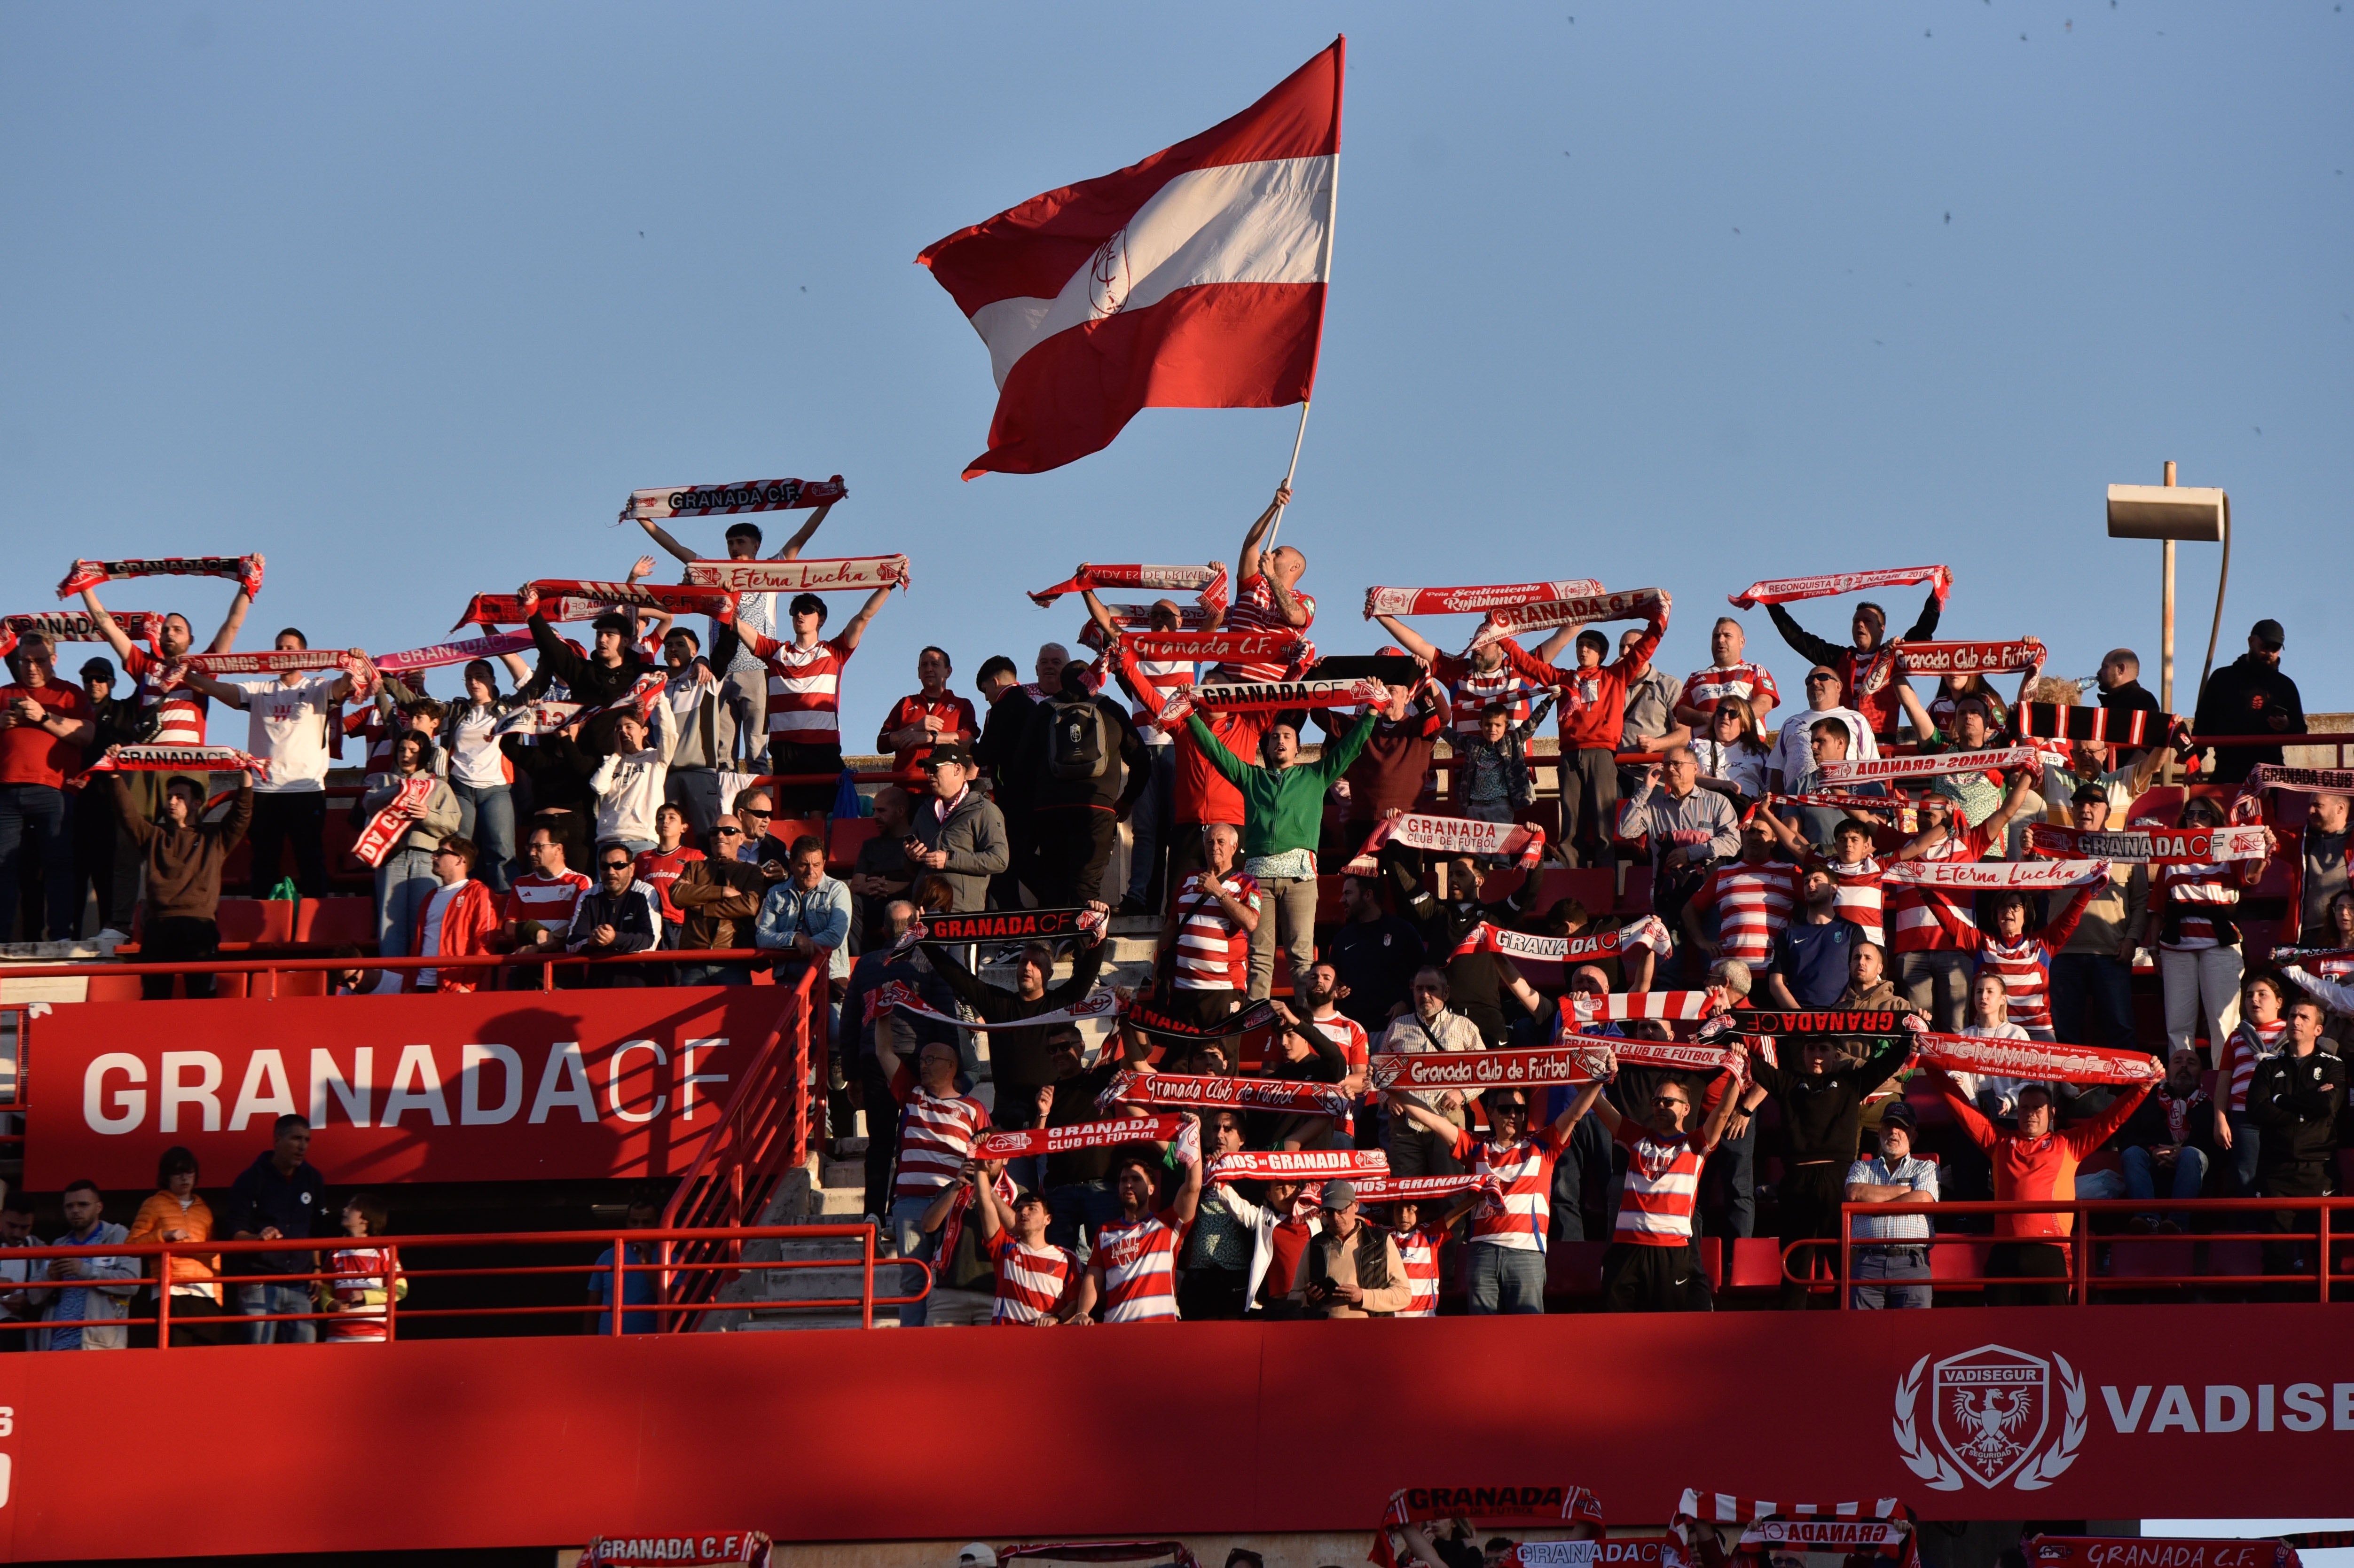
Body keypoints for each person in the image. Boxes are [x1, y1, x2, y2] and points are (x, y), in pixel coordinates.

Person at [635, 500, 840, 764]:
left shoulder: (771, 572)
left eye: (740, 542)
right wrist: (643, 519)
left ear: (756, 546)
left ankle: (759, 804)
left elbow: (801, 537)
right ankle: (726, 805)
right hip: (720, 672)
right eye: (730, 542)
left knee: (757, 749)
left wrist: (826, 503)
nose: (734, 548)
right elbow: (676, 547)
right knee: (722, 754)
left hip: (758, 669)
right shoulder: (713, 573)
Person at [1922, 1069, 2150, 1305]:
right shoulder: (1999, 1142)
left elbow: (2110, 1120)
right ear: (2016, 1111)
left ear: (2052, 1113)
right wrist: (1933, 1068)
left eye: (2037, 1108)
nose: (2030, 1114)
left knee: (2053, 1333)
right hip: (2005, 1251)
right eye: (2024, 1108)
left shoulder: (2068, 1144)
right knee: (1999, 1332)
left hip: (2051, 1251)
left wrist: (2142, 1089)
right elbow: (1962, 1110)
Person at [173, 631, 369, 900]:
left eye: (290, 647)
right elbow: (219, 690)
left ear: (304, 654)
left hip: (305, 789)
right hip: (264, 790)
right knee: (263, 863)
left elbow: (344, 686)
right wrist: (185, 674)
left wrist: (353, 665)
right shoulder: (259, 690)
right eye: (279, 647)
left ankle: (315, 924)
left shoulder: (318, 688)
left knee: (311, 861)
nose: (284, 651)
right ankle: (259, 926)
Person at [1390, 1077, 1608, 1315]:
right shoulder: (1476, 1147)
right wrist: (1390, 1088)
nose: (1513, 1115)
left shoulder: (1542, 1145)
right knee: (1482, 1337)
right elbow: (1430, 1118)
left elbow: (1576, 1113)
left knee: (1527, 1333)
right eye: (1506, 1109)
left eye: (1520, 1110)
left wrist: (1600, 1080)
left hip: (1527, 1254)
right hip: (1482, 1253)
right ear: (1491, 1113)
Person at [925, 916, 1108, 1190]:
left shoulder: (1061, 1005)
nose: (1028, 968)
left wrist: (1101, 930)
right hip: (1007, 1126)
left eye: (1036, 965)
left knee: (1053, 1207)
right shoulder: (999, 1005)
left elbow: (1087, 972)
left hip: (1051, 1124)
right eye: (1024, 962)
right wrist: (926, 939)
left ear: (1048, 974)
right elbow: (957, 976)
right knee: (1018, 1206)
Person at [1497, 593, 1674, 867]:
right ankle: (1572, 877)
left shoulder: (1615, 675)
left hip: (1601, 754)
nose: (1583, 650)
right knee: (1570, 823)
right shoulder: (1565, 679)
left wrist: (1660, 619)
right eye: (1581, 645)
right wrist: (1501, 637)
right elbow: (1529, 665)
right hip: (1569, 755)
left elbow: (1644, 650)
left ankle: (1602, 883)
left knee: (1604, 823)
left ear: (1602, 654)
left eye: (1590, 646)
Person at [1751, 1023, 1919, 1307]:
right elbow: (1751, 1063)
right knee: (1795, 1266)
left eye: (1824, 1049)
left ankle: (1848, 1331)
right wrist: (1727, 1033)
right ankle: (1788, 1336)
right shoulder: (1788, 1083)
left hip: (1838, 1179)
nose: (1817, 1055)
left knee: (1844, 1264)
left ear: (1836, 1054)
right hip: (1797, 1180)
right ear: (1803, 1054)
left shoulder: (1852, 1082)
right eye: (1812, 1048)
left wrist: (1911, 1032)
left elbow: (1888, 1062)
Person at [1584, 1042, 1749, 1312]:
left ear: (1686, 1109)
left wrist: (1735, 1072)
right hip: (1627, 1250)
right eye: (1656, 1101)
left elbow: (1721, 1115)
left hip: (1671, 1252)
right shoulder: (1635, 1136)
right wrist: (1581, 1060)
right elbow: (1597, 1102)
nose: (1660, 1106)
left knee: (1665, 1329)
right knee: (1617, 1331)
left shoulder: (1695, 1143)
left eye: (1668, 1101)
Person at [712, 582, 894, 814]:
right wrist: (729, 594)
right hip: (785, 749)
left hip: (822, 748)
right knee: (789, 817)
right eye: (795, 609)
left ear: (822, 619)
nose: (800, 614)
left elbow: (864, 617)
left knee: (820, 817)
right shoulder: (775, 652)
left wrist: (889, 585)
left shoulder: (835, 651)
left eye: (807, 609)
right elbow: (735, 623)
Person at [1889, 783, 2036, 1033]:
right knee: (1918, 1030)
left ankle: (1957, 1075)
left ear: (1946, 816)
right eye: (1920, 814)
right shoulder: (1903, 845)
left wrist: (2028, 770)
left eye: (1930, 814)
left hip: (1956, 949)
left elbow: (2008, 810)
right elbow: (1862, 819)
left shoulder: (1968, 842)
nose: (1922, 819)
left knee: (1956, 1030)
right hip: (1911, 950)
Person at [112, 764, 254, 999]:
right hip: (159, 927)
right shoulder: (153, 836)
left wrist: (246, 775)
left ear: (197, 803)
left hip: (199, 927)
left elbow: (241, 815)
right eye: (169, 797)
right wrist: (115, 774)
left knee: (203, 1000)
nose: (172, 802)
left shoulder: (214, 839)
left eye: (180, 797)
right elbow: (128, 815)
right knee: (154, 1003)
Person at [78, 565, 259, 750]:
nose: (170, 634)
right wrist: (85, 586)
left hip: (188, 762)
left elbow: (232, 626)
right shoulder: (145, 665)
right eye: (165, 630)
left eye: (177, 630)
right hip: (146, 763)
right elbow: (107, 627)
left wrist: (247, 584)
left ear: (191, 640)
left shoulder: (202, 667)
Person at [1013, 662, 1148, 907]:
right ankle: (1083, 941)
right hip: (1098, 810)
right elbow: (1142, 760)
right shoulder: (1111, 709)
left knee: (1054, 884)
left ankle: (1055, 942)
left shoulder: (1043, 712)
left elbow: (1021, 767)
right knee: (1086, 888)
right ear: (1093, 681)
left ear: (1061, 683)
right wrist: (1127, 800)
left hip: (1050, 811)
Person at [2153, 795, 2270, 1060]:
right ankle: (2182, 1084)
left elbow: (2252, 873)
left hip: (2221, 947)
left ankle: (2224, 1083)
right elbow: (2158, 909)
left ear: (2215, 820)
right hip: (2176, 948)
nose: (2195, 820)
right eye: (2190, 815)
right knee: (2178, 1025)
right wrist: (2152, 949)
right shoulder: (2171, 858)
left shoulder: (2230, 853)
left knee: (2223, 1024)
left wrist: (2263, 848)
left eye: (2202, 815)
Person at [0, 631, 97, 940]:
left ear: (53, 660)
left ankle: (60, 935)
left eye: (39, 661)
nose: (31, 668)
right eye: (24, 661)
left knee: (58, 863)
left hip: (53, 789)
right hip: (6, 790)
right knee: (4, 866)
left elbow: (87, 736)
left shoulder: (69, 695)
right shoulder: (3, 693)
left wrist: (43, 717)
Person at [2249, 996, 2345, 1291]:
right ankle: (2274, 1323)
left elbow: (2329, 1107)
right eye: (2292, 1016)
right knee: (2277, 1259)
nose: (2295, 1021)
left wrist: (2282, 1101)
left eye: (2304, 1017)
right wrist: (2308, 1103)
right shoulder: (2267, 1067)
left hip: (2319, 1171)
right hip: (2275, 1171)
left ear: (2318, 1030)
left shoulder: (2334, 1066)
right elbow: (2257, 1110)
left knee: (2328, 1258)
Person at [1763, 586, 1940, 743]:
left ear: (1882, 628)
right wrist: (1771, 604)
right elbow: (1799, 639)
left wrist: (1937, 593)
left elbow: (1923, 631)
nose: (1860, 625)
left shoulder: (1893, 654)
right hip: (1844, 743)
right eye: (1856, 621)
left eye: (1867, 621)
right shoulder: (1840, 657)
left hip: (1881, 744)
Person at [2048, 782, 2152, 1049]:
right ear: (2071, 810)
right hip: (2063, 955)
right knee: (2064, 1035)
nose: (2086, 810)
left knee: (2121, 1031)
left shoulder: (2127, 849)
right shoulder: (2051, 845)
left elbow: (2141, 902)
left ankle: (2125, 1091)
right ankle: (2068, 1091)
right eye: (2080, 805)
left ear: (2107, 813)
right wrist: (2027, 856)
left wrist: (2133, 939)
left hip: (2112, 955)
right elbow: (2032, 892)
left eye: (2094, 805)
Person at [1617, 746, 1742, 953]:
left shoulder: (1717, 802)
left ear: (1695, 768)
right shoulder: (1653, 806)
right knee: (1668, 966)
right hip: (1669, 895)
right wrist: (1646, 789)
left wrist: (1691, 853)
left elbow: (1732, 842)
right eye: (1666, 764)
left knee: (1712, 960)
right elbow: (1625, 830)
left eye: (1676, 763)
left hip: (1708, 893)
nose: (1670, 768)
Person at [225, 1113, 331, 1344]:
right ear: (277, 1140)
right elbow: (236, 1233)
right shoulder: (250, 1180)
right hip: (260, 1282)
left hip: (301, 1284)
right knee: (258, 1360)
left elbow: (316, 1232)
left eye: (307, 1140)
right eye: (296, 1139)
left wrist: (316, 1270)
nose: (303, 1146)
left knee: (304, 1361)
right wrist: (258, 1238)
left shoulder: (313, 1178)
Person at [358, 731, 461, 958]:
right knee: (389, 923)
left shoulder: (438, 786)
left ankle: (422, 978)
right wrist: (401, 789)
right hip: (391, 858)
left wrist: (427, 815)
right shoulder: (384, 781)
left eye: (414, 751)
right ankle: (393, 980)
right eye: (403, 750)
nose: (407, 755)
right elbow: (369, 803)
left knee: (424, 921)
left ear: (423, 755)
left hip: (427, 859)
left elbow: (452, 823)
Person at [1376, 967, 1486, 1178]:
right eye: (1419, 989)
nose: (1425, 995)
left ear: (1446, 993)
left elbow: (1485, 1071)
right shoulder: (1398, 1026)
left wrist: (1462, 1093)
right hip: (1405, 1125)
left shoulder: (1464, 1027)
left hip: (1448, 1120)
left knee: (1451, 1192)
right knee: (1407, 1195)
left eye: (1432, 989)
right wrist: (1388, 1099)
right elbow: (1378, 1071)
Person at [1153, 822, 1260, 1027]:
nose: (1214, 847)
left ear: (1234, 847)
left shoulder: (1247, 883)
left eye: (1221, 842)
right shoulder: (1188, 879)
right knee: (1180, 1058)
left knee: (1219, 1055)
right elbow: (1172, 925)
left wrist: (1219, 892)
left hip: (1223, 988)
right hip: (1183, 988)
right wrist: (1159, 960)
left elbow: (1250, 922)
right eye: (1210, 842)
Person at [440, 657, 532, 893]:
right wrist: (389, 680)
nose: (474, 682)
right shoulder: (457, 710)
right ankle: (458, 901)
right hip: (460, 787)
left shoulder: (507, 707)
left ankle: (506, 906)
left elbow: (530, 684)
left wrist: (501, 648)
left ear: (492, 679)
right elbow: (418, 707)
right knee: (459, 851)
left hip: (497, 788)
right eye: (469, 677)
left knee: (501, 850)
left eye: (480, 676)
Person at [1090, 1144, 1204, 1323]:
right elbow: (1093, 1278)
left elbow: (1194, 1186)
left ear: (1152, 1189)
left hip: (1160, 1332)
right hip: (1116, 1332)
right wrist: (1082, 1311)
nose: (1129, 1184)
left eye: (1136, 1179)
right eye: (1123, 1180)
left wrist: (1193, 1139)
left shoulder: (1168, 1223)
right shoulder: (1105, 1232)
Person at [2107, 1047, 2215, 1231]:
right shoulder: (2146, 1100)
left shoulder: (2210, 1107)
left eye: (2191, 1063)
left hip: (2194, 1176)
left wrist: (2182, 1152)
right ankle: (2148, 1220)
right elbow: (2127, 1137)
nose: (2184, 1067)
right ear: (2167, 1071)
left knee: (2192, 1155)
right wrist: (2153, 1150)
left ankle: (2177, 1223)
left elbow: (2218, 1148)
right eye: (2178, 1062)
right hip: (2152, 1168)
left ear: (2201, 1075)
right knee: (2132, 1153)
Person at [127, 1145, 224, 1346]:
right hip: (171, 1291)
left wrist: (218, 1297)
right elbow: (131, 1246)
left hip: (205, 1293)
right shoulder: (153, 1204)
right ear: (167, 1176)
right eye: (178, 1173)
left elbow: (215, 1255)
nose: (184, 1178)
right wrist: (164, 1236)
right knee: (174, 1355)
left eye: (189, 1172)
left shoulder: (204, 1210)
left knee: (206, 1360)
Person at [1844, 1101, 1936, 1309]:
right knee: (1864, 1337)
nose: (1894, 1132)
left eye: (1901, 1127)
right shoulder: (1862, 1166)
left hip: (1912, 1263)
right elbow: (1855, 1194)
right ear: (1880, 1132)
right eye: (1888, 1126)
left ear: (1913, 1136)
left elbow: (1923, 1199)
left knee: (1914, 1337)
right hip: (1868, 1263)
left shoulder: (1927, 1167)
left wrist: (1874, 1203)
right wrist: (1906, 1191)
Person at [971, 1167, 1092, 1325]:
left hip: (1047, 1341)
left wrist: (1055, 1319)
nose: (1023, 1213)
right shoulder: (1006, 1248)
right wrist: (980, 1164)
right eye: (1019, 1209)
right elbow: (985, 1204)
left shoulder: (1067, 1258)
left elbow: (1075, 1303)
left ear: (1047, 1220)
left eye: (1032, 1209)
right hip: (1006, 1340)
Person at [1683, 817, 1803, 973]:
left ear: (1774, 841)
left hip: (1774, 972)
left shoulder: (1790, 873)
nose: (1754, 836)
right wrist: (1703, 942)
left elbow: (1818, 905)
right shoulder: (1723, 874)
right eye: (1750, 831)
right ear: (1742, 837)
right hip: (1728, 972)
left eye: (1761, 833)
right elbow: (1689, 910)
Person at [2191, 618, 2303, 783]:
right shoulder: (2222, 679)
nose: (2271, 653)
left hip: (2270, 775)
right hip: (2227, 771)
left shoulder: (2285, 686)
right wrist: (2194, 762)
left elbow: (2301, 731)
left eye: (2276, 648)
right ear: (2252, 642)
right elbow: (2203, 725)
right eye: (2266, 647)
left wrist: (2286, 726)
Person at [29, 1181, 137, 1350]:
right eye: (69, 1206)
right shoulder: (59, 1245)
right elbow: (33, 1297)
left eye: (83, 1205)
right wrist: (49, 1276)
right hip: (57, 1345)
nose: (76, 1211)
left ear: (99, 1207)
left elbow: (132, 1283)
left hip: (99, 1345)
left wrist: (85, 1270)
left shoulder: (118, 1236)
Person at [906, 743, 1009, 914]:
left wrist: (949, 860)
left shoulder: (983, 809)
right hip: (922, 909)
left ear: (957, 769)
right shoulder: (924, 810)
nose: (929, 775)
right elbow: (909, 870)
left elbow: (999, 860)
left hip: (961, 912)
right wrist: (911, 858)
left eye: (934, 768)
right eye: (927, 770)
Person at [1289, 1181, 1413, 1318]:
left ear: (1356, 1206)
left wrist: (1363, 1296)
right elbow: (1294, 1297)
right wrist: (1308, 1299)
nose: (1336, 1217)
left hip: (1372, 1334)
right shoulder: (1315, 1244)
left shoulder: (1380, 1240)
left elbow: (1404, 1295)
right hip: (1324, 1335)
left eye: (1341, 1209)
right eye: (1329, 1212)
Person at [655, 632, 734, 837]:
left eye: (681, 645)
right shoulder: (654, 684)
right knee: (664, 836)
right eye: (669, 645)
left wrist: (702, 661)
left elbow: (726, 649)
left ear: (693, 652)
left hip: (701, 772)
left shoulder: (706, 677)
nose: (673, 649)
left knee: (708, 833)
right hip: (665, 774)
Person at [1326, 874, 1423, 1038]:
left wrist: (1408, 1003)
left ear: (1368, 895)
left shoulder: (1402, 931)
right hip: (1351, 1032)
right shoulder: (1342, 938)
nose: (1342, 900)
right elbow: (1331, 979)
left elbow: (1425, 972)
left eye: (1348, 893)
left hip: (1395, 1031)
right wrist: (1335, 990)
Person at [753, 834, 852, 994]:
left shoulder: (838, 890)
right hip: (788, 980)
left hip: (830, 977)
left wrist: (803, 944)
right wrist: (795, 939)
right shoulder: (775, 893)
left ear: (824, 865)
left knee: (835, 1019)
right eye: (804, 865)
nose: (810, 871)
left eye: (816, 865)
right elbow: (763, 937)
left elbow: (836, 936)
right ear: (791, 864)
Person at [878, 645, 979, 789]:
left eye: (935, 664)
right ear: (919, 673)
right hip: (906, 789)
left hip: (946, 790)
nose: (929, 669)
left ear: (948, 672)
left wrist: (932, 738)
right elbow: (882, 743)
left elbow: (968, 738)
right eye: (924, 665)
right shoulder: (905, 703)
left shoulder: (962, 705)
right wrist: (914, 729)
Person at [565, 840, 666, 986]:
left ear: (631, 869)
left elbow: (650, 942)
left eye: (619, 866)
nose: (611, 872)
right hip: (598, 986)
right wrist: (591, 941)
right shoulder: (589, 896)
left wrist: (615, 938)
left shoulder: (645, 892)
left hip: (640, 984)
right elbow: (571, 943)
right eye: (605, 866)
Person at [409, 835, 500, 993]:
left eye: (441, 852)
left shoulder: (479, 893)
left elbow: (484, 942)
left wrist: (469, 985)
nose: (434, 856)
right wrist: (409, 984)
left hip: (455, 986)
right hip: (422, 983)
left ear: (460, 860)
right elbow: (418, 944)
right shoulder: (430, 897)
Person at [1766, 867, 1866, 1009]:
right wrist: (1800, 1018)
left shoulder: (1852, 931)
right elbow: (1776, 983)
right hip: (1798, 1021)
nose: (1811, 885)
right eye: (1806, 882)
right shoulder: (1788, 934)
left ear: (1833, 888)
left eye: (1817, 881)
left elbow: (1861, 977)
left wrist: (1837, 1013)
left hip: (1841, 1019)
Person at [588, 703, 680, 855]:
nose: (623, 732)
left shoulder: (656, 758)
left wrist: (661, 701)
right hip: (609, 840)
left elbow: (669, 734)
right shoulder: (610, 762)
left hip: (642, 839)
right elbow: (599, 786)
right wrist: (616, 756)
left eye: (629, 727)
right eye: (618, 729)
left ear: (644, 731)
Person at [1457, 694, 1557, 825]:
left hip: (1501, 806)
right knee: (1475, 844)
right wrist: (1434, 717)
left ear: (1507, 726)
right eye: (1488, 725)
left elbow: (1532, 723)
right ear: (1481, 725)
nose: (1493, 729)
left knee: (1500, 843)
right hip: (1475, 806)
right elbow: (1449, 734)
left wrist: (1549, 701)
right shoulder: (1473, 744)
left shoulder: (1512, 741)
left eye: (1498, 725)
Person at [319, 1192, 405, 1343]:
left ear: (366, 1219)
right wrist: (330, 1303)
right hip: (337, 1334)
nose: (345, 1210)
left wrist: (365, 1296)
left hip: (374, 1334)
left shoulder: (383, 1251)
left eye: (352, 1207)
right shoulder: (335, 1251)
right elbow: (324, 1289)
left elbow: (400, 1289)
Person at [503, 824, 595, 958]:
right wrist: (535, 932)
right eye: (530, 847)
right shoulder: (520, 884)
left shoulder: (579, 882)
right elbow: (508, 927)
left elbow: (575, 926)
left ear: (558, 849)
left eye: (539, 847)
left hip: (562, 965)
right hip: (524, 965)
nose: (532, 853)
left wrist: (537, 947)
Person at [1676, 616, 1781, 731]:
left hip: (1745, 745)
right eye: (1716, 636)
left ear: (1742, 642)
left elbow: (1765, 703)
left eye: (1728, 636)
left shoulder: (1755, 671)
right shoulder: (1696, 678)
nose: (1721, 640)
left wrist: (1734, 719)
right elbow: (1681, 713)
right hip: (1705, 746)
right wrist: (1707, 717)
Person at [846, 785, 917, 945]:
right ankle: (859, 960)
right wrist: (869, 887)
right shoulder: (870, 846)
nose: (875, 816)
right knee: (847, 902)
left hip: (908, 900)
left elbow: (926, 880)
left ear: (900, 811)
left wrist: (896, 887)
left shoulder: (917, 842)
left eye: (881, 811)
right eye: (874, 811)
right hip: (873, 902)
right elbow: (856, 884)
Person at [587, 1192, 664, 1334]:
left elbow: (670, 1301)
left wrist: (646, 1263)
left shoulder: (670, 1258)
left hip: (650, 1347)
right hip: (608, 1345)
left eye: (647, 1223)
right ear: (627, 1224)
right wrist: (586, 1343)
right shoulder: (608, 1256)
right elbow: (592, 1307)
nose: (639, 1229)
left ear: (658, 1225)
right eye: (634, 1222)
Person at [633, 803, 705, 948]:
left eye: (672, 818)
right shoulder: (642, 858)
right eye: (661, 818)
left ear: (684, 828)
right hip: (650, 924)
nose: (665, 821)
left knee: (676, 969)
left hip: (679, 925)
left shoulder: (695, 856)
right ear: (656, 828)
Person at [1615, 624, 1690, 760]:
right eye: (1622, 647)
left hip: (1651, 773)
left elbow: (1685, 735)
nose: (1625, 652)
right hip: (1613, 771)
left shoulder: (1669, 685)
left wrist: (1655, 744)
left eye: (1632, 647)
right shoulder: (1610, 685)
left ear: (1647, 651)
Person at [1689, 694, 1771, 807]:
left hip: (1743, 813)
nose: (1725, 716)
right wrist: (1722, 784)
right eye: (1721, 711)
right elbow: (1686, 776)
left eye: (1733, 714)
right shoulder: (1697, 746)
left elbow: (1772, 792)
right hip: (1702, 809)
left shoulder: (1759, 753)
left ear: (1745, 724)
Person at [2297, 791, 2349, 945]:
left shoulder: (2352, 840)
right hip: (2311, 935)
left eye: (2318, 805)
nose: (2310, 811)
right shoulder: (2303, 840)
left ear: (2340, 808)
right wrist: (2263, 798)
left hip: (2348, 935)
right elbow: (2265, 833)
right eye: (2310, 805)